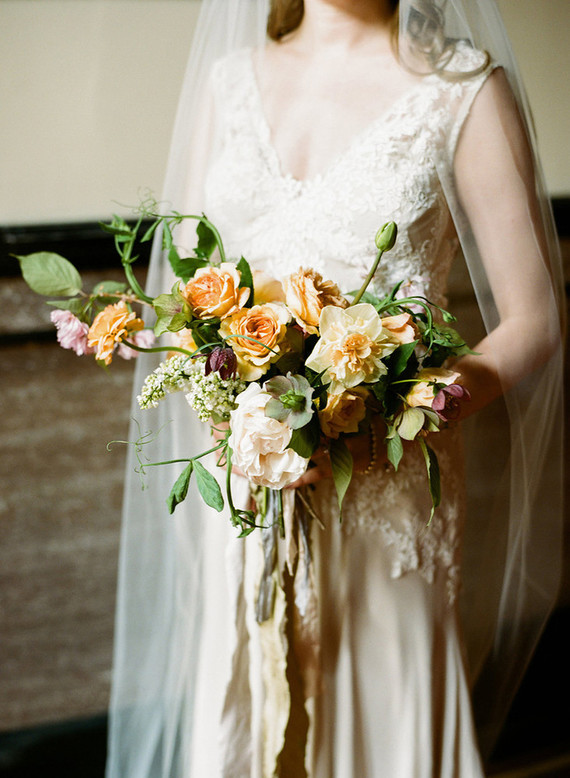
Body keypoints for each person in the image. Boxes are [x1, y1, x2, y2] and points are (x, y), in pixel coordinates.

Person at [106, 1, 564, 776]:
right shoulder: (227, 84)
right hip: (247, 483)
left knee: (381, 701)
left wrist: (388, 409)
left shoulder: (461, 89)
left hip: (386, 491)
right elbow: (188, 294)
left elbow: (534, 321)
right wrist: (241, 413)